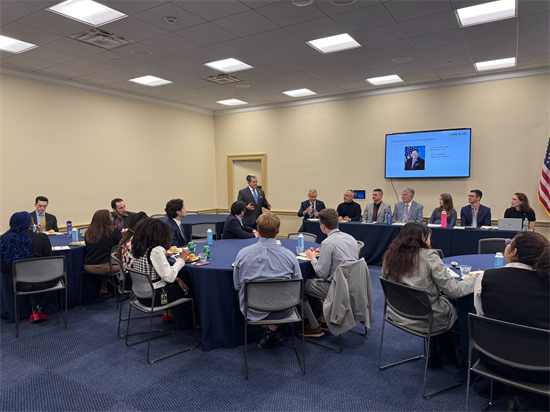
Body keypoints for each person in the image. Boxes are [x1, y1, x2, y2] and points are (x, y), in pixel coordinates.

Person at [474, 232, 550, 411]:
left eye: (509, 243)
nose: (506, 245)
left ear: (514, 252)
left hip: (495, 361)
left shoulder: (485, 279)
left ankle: (515, 395)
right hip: (544, 369)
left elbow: (481, 318)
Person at [381, 222, 476, 367]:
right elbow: (455, 291)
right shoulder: (430, 256)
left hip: (398, 313)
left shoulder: (390, 255)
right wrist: (476, 279)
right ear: (423, 237)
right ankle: (461, 357)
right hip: (427, 317)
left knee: (433, 298)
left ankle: (435, 352)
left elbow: (387, 284)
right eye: (430, 237)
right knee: (458, 305)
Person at [233, 212, 302, 349]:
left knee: (240, 295)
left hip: (252, 308)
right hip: (284, 308)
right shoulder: (290, 255)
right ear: (278, 231)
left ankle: (267, 329)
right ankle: (271, 329)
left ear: (257, 231)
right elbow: (297, 285)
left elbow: (237, 285)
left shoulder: (243, 254)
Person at [123, 218, 195, 323]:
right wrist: (181, 259)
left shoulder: (137, 246)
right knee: (192, 284)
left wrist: (177, 279)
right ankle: (191, 322)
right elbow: (169, 277)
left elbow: (154, 271)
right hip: (155, 297)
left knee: (180, 280)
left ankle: (171, 314)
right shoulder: (156, 250)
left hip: (140, 294)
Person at [302, 208, 358, 337]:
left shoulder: (327, 243)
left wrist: (312, 258)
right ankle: (324, 320)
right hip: (352, 285)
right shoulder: (350, 238)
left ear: (322, 226)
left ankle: (314, 326)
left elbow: (322, 274)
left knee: (301, 285)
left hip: (337, 288)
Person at [0, 212, 55, 323]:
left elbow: (3, 268)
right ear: (29, 224)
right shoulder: (41, 238)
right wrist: (40, 236)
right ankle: (38, 307)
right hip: (43, 280)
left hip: (18, 282)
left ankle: (34, 308)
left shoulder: (4, 240)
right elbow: (50, 261)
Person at [84, 210, 123, 301]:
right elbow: (121, 247)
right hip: (105, 266)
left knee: (106, 260)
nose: (112, 218)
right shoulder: (114, 232)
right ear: (106, 220)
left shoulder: (88, 233)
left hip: (88, 266)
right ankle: (124, 291)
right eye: (110, 217)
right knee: (127, 266)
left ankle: (103, 290)